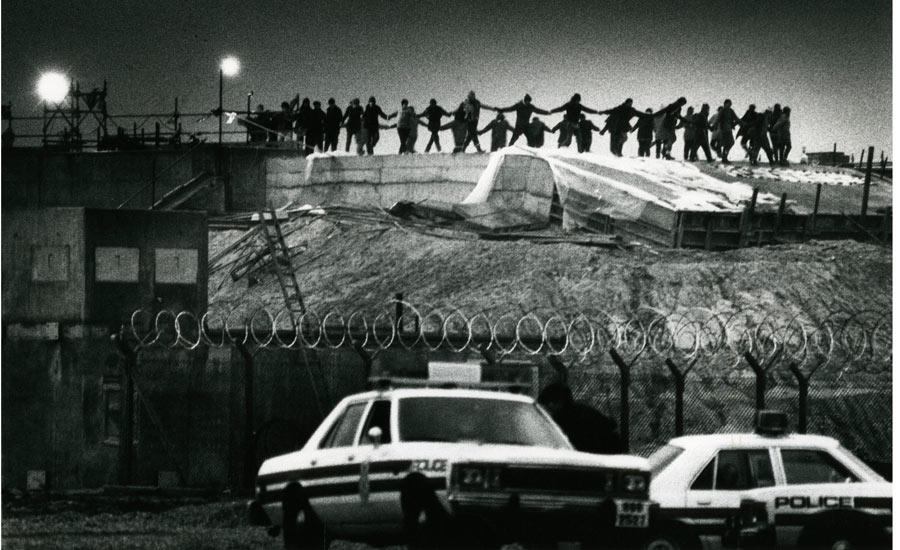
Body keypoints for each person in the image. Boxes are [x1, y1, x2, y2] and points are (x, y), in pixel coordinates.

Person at [537, 382, 624, 454]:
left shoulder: (567, 420)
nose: (546, 410)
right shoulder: (583, 411)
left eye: (547, 406)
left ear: (555, 403)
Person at [717, 99, 742, 163]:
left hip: (728, 129)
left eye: (730, 104)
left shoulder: (730, 111)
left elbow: (736, 118)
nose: (730, 105)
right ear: (725, 104)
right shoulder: (723, 111)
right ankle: (724, 157)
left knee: (729, 143)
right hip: (724, 130)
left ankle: (724, 157)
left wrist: (739, 123)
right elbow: (718, 120)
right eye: (729, 103)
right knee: (729, 143)